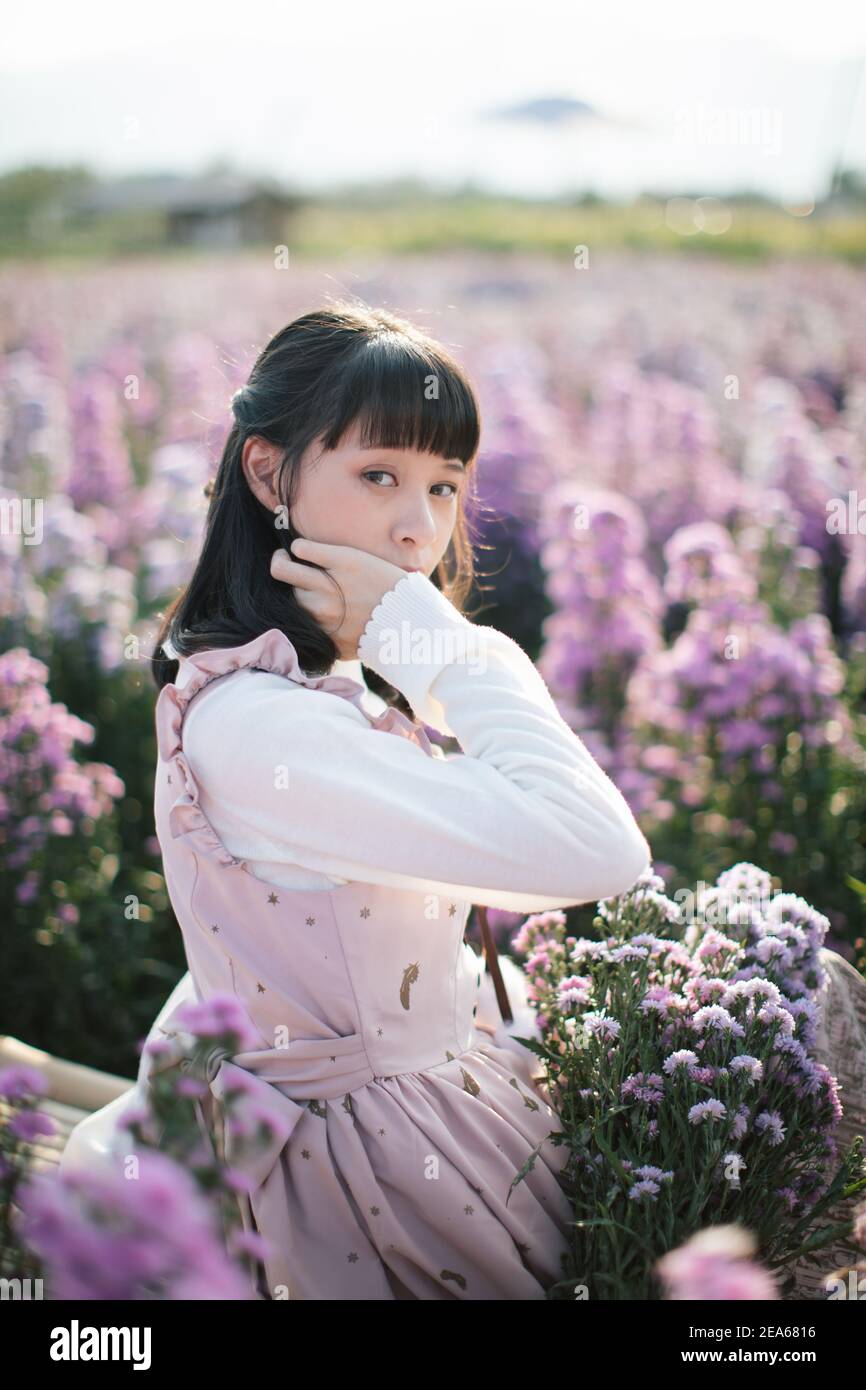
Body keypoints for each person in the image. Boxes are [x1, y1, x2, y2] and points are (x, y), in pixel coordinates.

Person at [60, 301, 653, 1299]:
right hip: (371, 1179)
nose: (418, 525)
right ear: (267, 473)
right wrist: (444, 645)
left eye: (443, 485)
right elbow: (597, 849)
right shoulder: (263, 726)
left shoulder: (314, 682)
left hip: (441, 1098)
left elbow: (265, 957)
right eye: (377, 475)